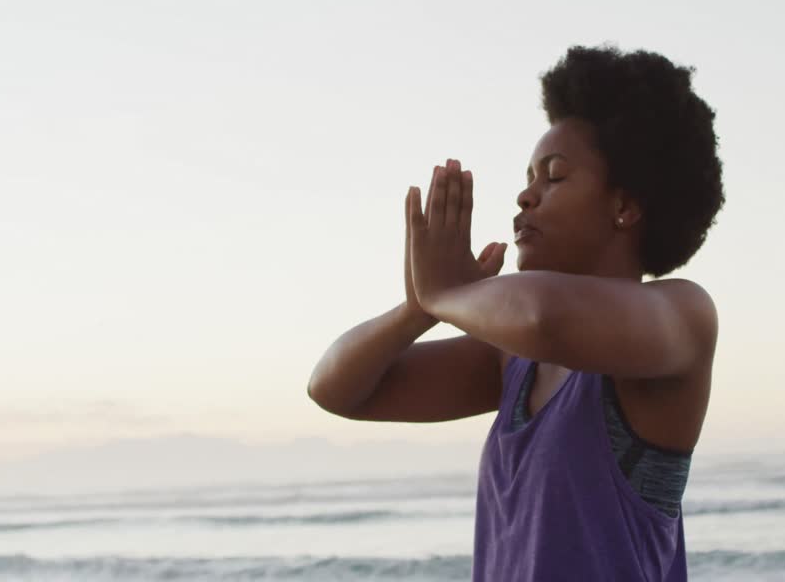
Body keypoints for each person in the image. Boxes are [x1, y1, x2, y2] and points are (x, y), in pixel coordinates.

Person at [308, 44, 725, 581]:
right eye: (529, 178)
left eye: (553, 176)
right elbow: (336, 388)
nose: (526, 197)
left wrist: (447, 294)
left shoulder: (684, 316)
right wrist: (418, 308)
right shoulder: (514, 363)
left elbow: (544, 318)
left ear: (624, 206)